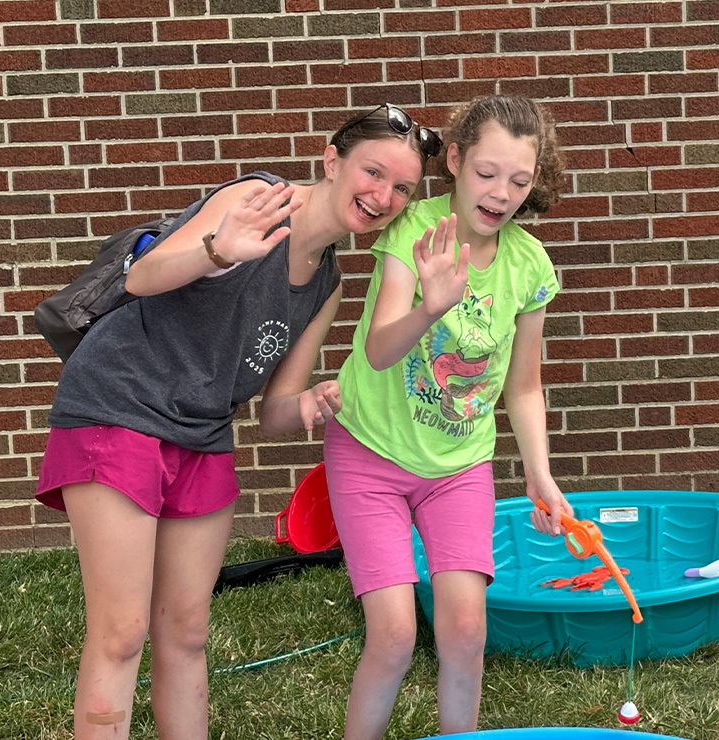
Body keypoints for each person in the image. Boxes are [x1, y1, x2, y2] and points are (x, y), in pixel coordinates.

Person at [34, 104, 440, 739]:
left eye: (402, 189)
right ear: (332, 160)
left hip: (202, 434)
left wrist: (309, 402)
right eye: (373, 172)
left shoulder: (327, 283)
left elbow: (274, 412)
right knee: (122, 631)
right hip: (119, 407)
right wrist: (216, 250)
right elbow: (142, 277)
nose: (383, 196)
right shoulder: (259, 198)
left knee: (187, 629)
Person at [324, 95, 572, 739]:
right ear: (456, 161)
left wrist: (539, 475)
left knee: (465, 630)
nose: (501, 193)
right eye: (487, 173)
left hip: (459, 465)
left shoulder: (529, 265)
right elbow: (379, 351)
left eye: (519, 180)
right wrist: (431, 307)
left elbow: (523, 385)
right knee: (395, 635)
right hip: (370, 452)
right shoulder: (415, 229)